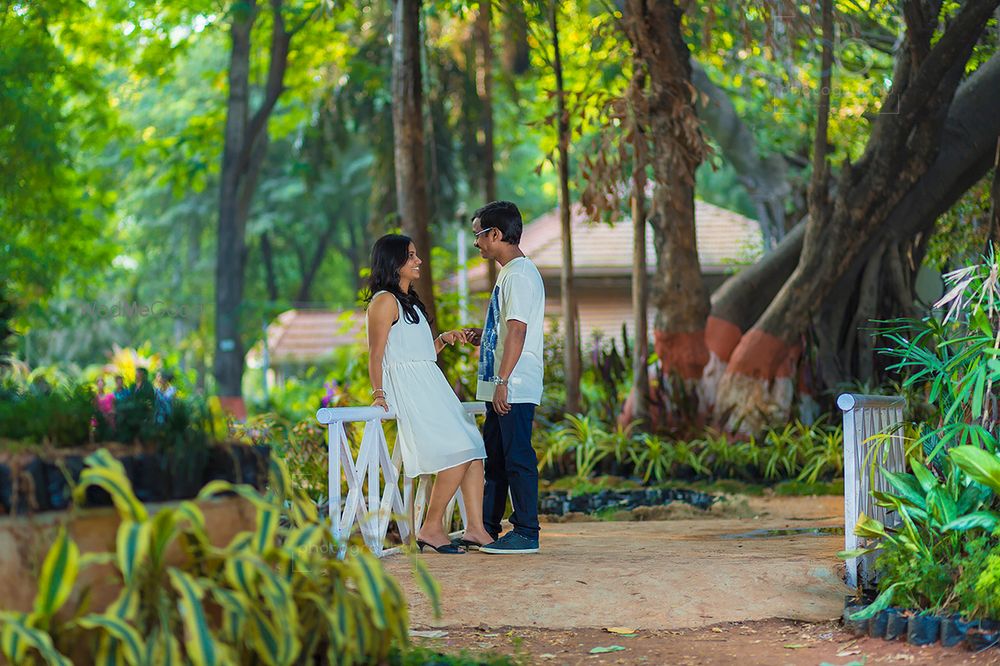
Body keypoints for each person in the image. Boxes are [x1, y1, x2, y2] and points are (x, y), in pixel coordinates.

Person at [365, 234, 494, 554]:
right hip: (411, 390)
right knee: (461, 448)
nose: (418, 260)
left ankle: (476, 529)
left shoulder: (410, 302)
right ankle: (432, 527)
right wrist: (378, 393)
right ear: (394, 262)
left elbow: (420, 354)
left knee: (475, 449)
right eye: (410, 256)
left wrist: (443, 339)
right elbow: (377, 355)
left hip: (430, 383)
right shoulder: (383, 301)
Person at [464, 200, 545, 554]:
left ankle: (526, 531)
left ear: (495, 234)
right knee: (494, 458)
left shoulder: (520, 274)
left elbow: (518, 331)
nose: (477, 243)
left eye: (478, 235)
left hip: (514, 386)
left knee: (516, 457)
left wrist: (502, 382)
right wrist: (485, 337)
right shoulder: (509, 273)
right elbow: (505, 330)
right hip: (502, 383)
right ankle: (485, 529)